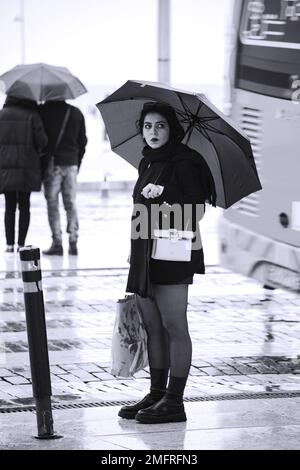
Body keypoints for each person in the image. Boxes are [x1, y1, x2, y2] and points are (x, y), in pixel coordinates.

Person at [119, 102, 216, 424]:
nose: (153, 132)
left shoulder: (187, 162)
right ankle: (156, 393)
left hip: (173, 252)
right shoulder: (146, 161)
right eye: (148, 126)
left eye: (160, 126)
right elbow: (138, 210)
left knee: (175, 325)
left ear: (172, 129)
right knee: (152, 327)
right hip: (145, 252)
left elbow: (197, 211)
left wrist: (163, 195)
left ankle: (175, 401)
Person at [0, 96, 48, 252]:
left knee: (9, 206)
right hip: (27, 167)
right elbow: (42, 143)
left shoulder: (2, 114)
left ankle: (9, 244)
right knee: (25, 206)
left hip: (5, 168)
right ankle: (21, 243)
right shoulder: (32, 115)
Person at [39, 100, 87, 256]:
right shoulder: (76, 112)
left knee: (52, 205)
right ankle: (73, 241)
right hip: (71, 163)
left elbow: (40, 141)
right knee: (71, 203)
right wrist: (77, 163)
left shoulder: (43, 111)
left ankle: (57, 243)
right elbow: (83, 141)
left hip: (53, 165)